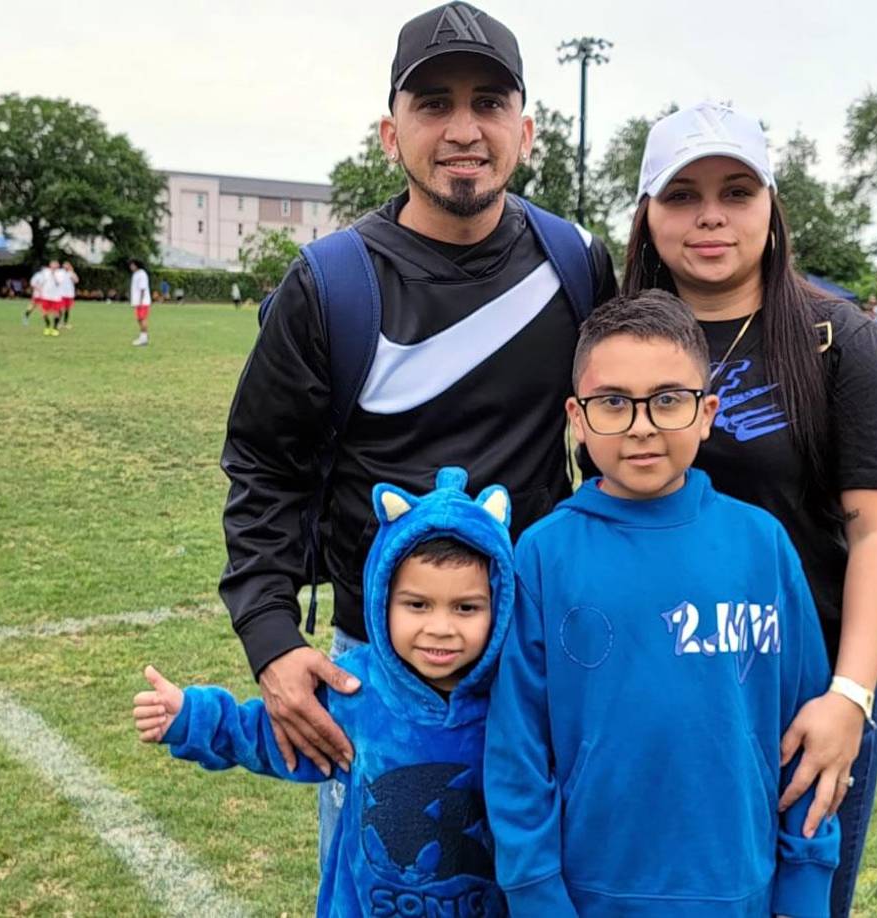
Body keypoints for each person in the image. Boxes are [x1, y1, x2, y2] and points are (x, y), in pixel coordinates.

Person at [217, 0, 617, 875]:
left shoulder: (577, 264)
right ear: (391, 133)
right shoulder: (330, 285)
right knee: (395, 887)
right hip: (380, 677)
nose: (463, 129)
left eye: (488, 103)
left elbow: (612, 454)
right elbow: (263, 470)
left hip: (537, 665)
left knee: (544, 889)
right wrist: (274, 641)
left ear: (527, 128)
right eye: (433, 103)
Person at [620, 102, 877, 917]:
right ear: (647, 214)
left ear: (771, 206)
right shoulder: (615, 337)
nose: (710, 216)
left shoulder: (837, 336)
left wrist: (848, 698)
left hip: (803, 699)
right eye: (681, 194)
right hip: (649, 689)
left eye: (736, 191)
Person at [485, 292, 840, 916]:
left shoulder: (762, 546)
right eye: (614, 402)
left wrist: (805, 884)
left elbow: (805, 737)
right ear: (577, 417)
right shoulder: (543, 553)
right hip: (586, 895)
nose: (642, 425)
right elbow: (517, 748)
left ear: (707, 413)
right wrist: (536, 894)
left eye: (668, 400)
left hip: (740, 891)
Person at [134, 469, 514, 916]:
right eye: (417, 605)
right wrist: (191, 717)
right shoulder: (356, 690)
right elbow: (270, 734)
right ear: (381, 598)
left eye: (466, 608)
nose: (441, 628)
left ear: (499, 602)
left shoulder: (515, 699)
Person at [129, 259, 151, 346]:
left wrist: (141, 301)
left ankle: (144, 338)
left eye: (132, 265)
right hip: (137, 302)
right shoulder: (135, 274)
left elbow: (143, 288)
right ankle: (142, 337)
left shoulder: (142, 274)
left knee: (142, 319)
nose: (131, 267)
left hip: (143, 302)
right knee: (139, 319)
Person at [59, 261, 79, 328]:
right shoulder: (60, 272)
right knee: (61, 309)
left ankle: (65, 323)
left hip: (69, 294)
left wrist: (72, 273)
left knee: (67, 309)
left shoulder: (71, 273)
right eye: (65, 265)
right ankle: (59, 323)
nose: (66, 266)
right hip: (61, 294)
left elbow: (76, 281)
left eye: (67, 265)